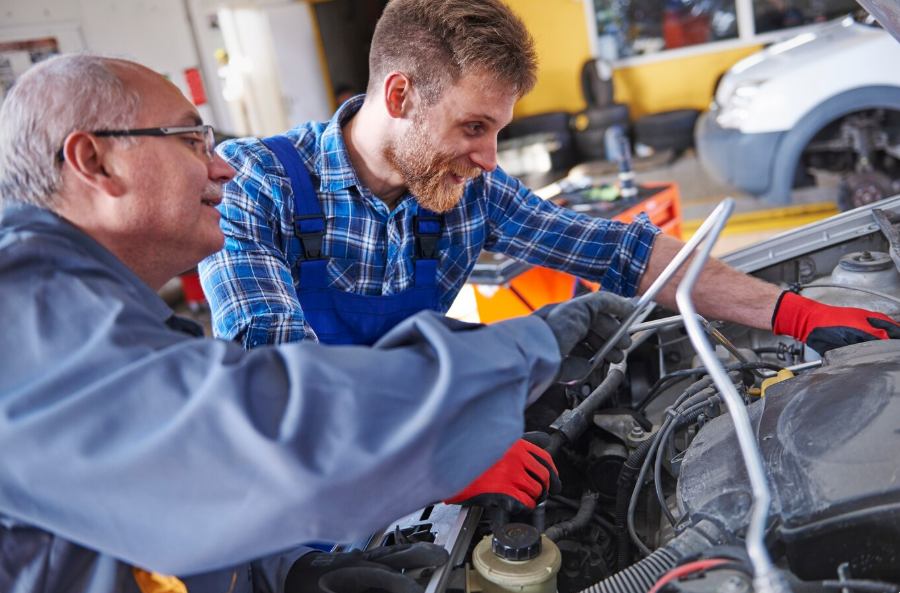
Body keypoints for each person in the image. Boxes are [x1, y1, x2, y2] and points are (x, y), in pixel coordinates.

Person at [0, 54, 634, 593]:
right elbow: (268, 434)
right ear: (94, 161)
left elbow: (180, 502)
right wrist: (524, 349)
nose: (222, 167)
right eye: (192, 140)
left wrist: (292, 572)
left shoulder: (110, 319)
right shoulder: (21, 315)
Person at [199, 0, 900, 361]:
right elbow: (274, 379)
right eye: (474, 126)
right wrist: (436, 458)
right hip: (301, 505)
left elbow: (621, 252)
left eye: (498, 130)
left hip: (413, 436)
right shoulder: (250, 187)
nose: (490, 157)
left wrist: (790, 312)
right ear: (401, 95)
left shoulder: (467, 190)